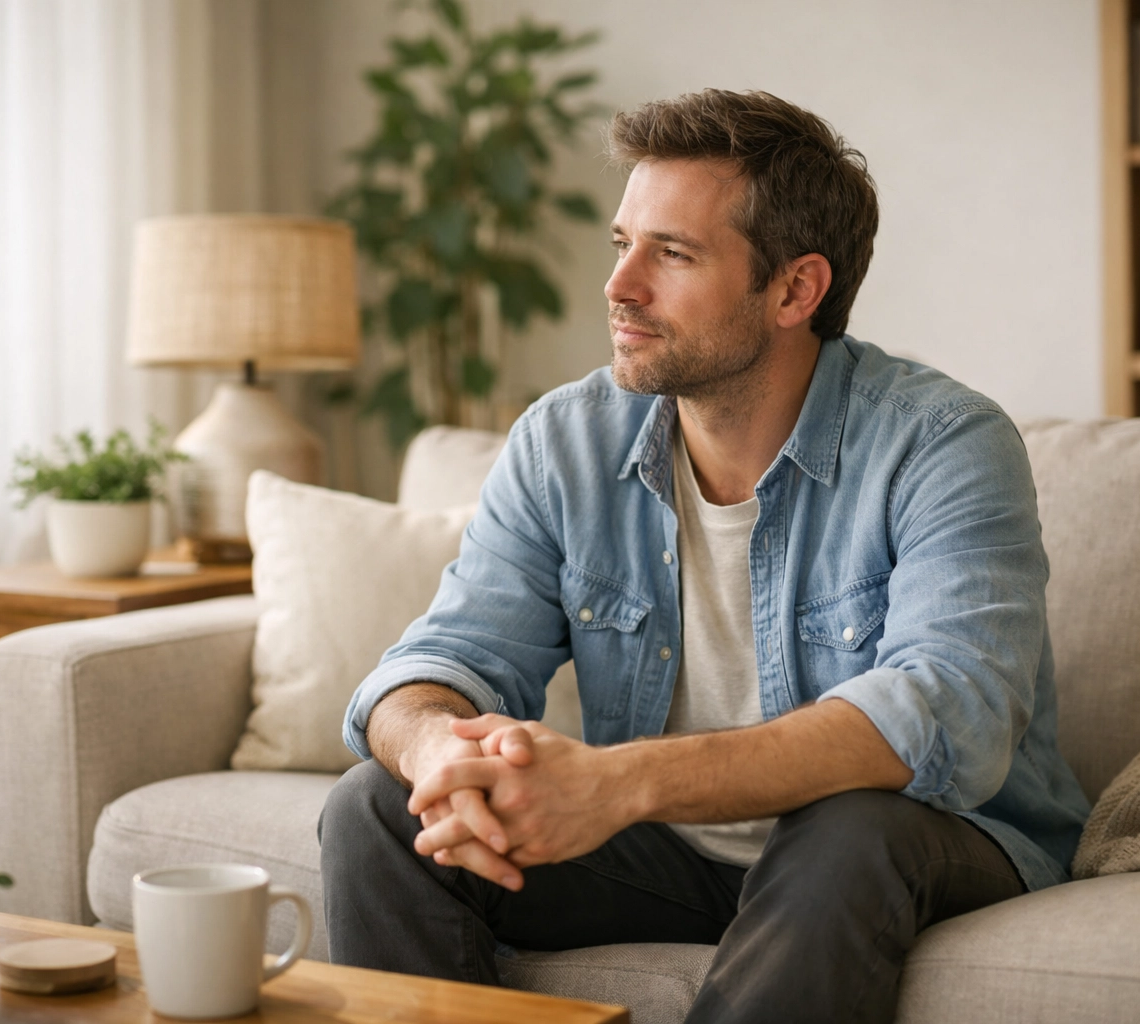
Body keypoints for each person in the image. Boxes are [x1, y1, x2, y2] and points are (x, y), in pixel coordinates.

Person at [318, 88, 1090, 1024]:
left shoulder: (942, 441)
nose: (619, 285)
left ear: (795, 290)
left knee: (848, 826)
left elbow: (947, 711)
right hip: (670, 854)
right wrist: (437, 746)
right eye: (622, 244)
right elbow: (446, 656)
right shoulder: (564, 441)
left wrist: (621, 780)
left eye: (671, 254)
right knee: (377, 809)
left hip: (928, 842)